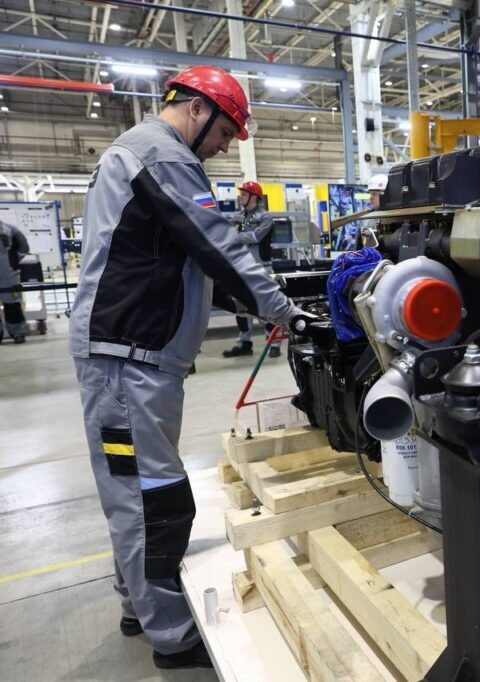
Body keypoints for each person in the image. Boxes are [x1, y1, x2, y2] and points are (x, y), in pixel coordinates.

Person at [69, 65, 303, 669]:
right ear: (197, 109)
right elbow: (217, 245)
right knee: (154, 499)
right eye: (225, 132)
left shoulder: (144, 155)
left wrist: (253, 295)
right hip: (128, 360)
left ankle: (138, 605)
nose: (224, 146)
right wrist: (284, 311)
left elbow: (191, 265)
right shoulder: (162, 154)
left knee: (134, 491)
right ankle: (171, 635)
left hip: (133, 358)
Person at [222, 180, 281, 358]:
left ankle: (274, 342)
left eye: (244, 194)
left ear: (254, 197)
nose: (240, 197)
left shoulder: (265, 217)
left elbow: (256, 237)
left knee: (266, 305)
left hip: (261, 267)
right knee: (240, 306)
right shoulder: (237, 216)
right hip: (240, 267)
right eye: (241, 194)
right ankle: (244, 343)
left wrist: (236, 235)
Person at [0, 220, 30, 344]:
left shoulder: (11, 230)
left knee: (13, 305)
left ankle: (18, 333)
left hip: (9, 275)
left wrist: (13, 262)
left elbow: (24, 247)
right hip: (9, 273)